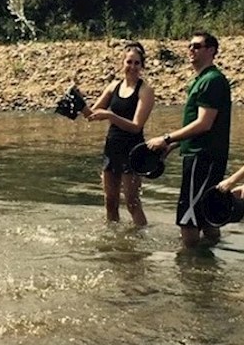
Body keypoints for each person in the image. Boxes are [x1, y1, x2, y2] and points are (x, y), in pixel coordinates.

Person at [146, 31, 232, 248]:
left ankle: (190, 269)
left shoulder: (211, 81)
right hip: (201, 154)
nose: (191, 50)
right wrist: (175, 145)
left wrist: (165, 138)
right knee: (206, 212)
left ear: (211, 51)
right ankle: (208, 264)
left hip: (202, 157)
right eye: (189, 46)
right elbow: (199, 125)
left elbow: (204, 123)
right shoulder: (201, 80)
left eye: (197, 46)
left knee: (189, 219)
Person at [83, 41, 154, 226]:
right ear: (122, 63)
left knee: (132, 202)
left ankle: (141, 240)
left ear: (142, 66)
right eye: (129, 62)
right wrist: (77, 103)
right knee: (110, 202)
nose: (132, 67)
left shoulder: (145, 91)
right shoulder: (113, 86)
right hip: (112, 148)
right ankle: (113, 242)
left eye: (136, 63)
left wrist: (110, 116)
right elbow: (91, 115)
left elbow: (136, 126)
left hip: (133, 150)